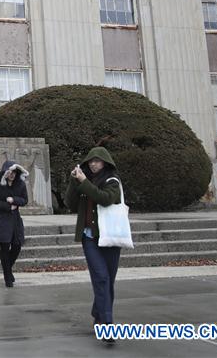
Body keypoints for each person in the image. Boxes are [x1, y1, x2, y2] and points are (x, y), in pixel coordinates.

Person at [65, 146, 123, 344]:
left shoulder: (112, 181)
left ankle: (98, 313)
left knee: (108, 280)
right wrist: (74, 181)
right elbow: (70, 204)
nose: (93, 164)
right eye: (90, 161)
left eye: (97, 161)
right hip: (89, 237)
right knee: (101, 278)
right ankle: (107, 325)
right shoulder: (84, 180)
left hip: (110, 237)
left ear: (105, 163)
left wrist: (84, 182)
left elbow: (105, 199)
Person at [0, 161, 29, 287]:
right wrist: (7, 206)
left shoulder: (20, 184)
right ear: (5, 172)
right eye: (10, 172)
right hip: (1, 219)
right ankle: (7, 277)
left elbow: (25, 200)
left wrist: (14, 200)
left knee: (17, 246)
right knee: (4, 247)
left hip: (15, 219)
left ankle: (7, 270)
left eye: (14, 172)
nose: (12, 174)